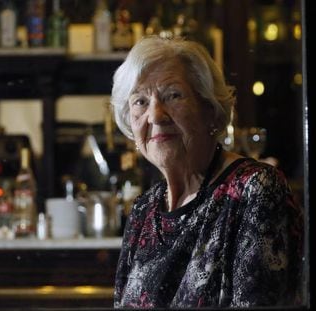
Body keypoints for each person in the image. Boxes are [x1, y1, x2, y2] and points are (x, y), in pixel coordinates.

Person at [110, 36, 303, 308]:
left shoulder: (255, 190)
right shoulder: (144, 210)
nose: (155, 115)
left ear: (210, 109)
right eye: (140, 101)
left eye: (173, 95)